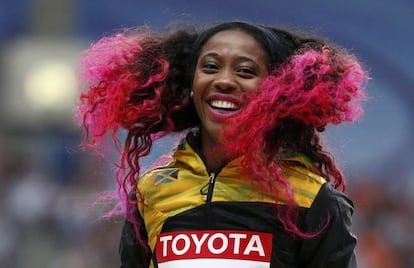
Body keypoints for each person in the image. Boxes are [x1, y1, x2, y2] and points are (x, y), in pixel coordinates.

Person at [76, 21, 367, 268]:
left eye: (245, 71)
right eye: (211, 67)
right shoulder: (150, 192)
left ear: (276, 91)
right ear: (192, 83)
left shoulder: (312, 198)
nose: (224, 81)